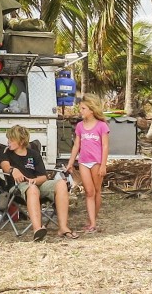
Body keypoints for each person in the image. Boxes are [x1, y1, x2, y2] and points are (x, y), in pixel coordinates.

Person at [0, 124, 76, 241]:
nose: (8, 141)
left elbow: (43, 177)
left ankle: (63, 228)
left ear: (21, 141)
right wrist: (13, 170)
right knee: (32, 189)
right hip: (18, 188)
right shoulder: (6, 153)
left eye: (11, 139)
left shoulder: (33, 154)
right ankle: (37, 229)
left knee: (61, 184)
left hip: (36, 184)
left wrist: (34, 180)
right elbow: (4, 166)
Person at [65, 95, 110, 233]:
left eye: (83, 108)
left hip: (96, 162)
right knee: (89, 192)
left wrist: (103, 165)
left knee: (96, 191)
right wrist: (71, 163)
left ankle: (93, 221)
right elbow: (76, 146)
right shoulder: (79, 126)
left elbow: (105, 146)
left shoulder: (102, 126)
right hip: (83, 162)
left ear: (92, 109)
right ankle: (92, 222)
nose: (81, 110)